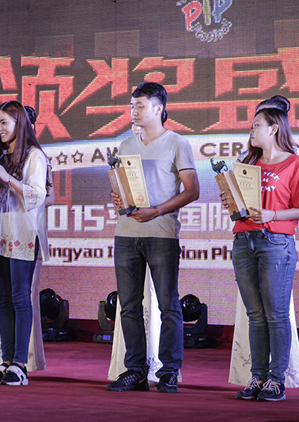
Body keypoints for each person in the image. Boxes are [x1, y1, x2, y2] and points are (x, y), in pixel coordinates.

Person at [107, 82, 199, 394]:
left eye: (140, 106)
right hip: (126, 233)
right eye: (132, 106)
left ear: (159, 109)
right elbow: (123, 186)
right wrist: (118, 197)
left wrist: (157, 210)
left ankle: (169, 371)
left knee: (168, 305)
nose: (134, 111)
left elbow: (192, 190)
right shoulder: (125, 145)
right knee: (129, 306)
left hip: (161, 234)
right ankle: (135, 370)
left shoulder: (176, 143)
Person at [225, 99, 299, 402]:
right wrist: (231, 201)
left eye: (256, 126)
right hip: (243, 240)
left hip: (276, 242)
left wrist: (273, 215)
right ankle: (257, 376)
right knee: (255, 315)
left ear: (274, 128)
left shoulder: (295, 164)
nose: (251, 131)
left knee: (276, 315)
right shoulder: (248, 164)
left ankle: (276, 379)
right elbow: (241, 205)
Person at [0, 101, 49, 387]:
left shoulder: (34, 156)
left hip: (22, 233)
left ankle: (20, 363)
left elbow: (38, 195)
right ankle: (6, 360)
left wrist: (7, 178)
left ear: (20, 123)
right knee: (2, 299)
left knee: (20, 297)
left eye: (4, 122)